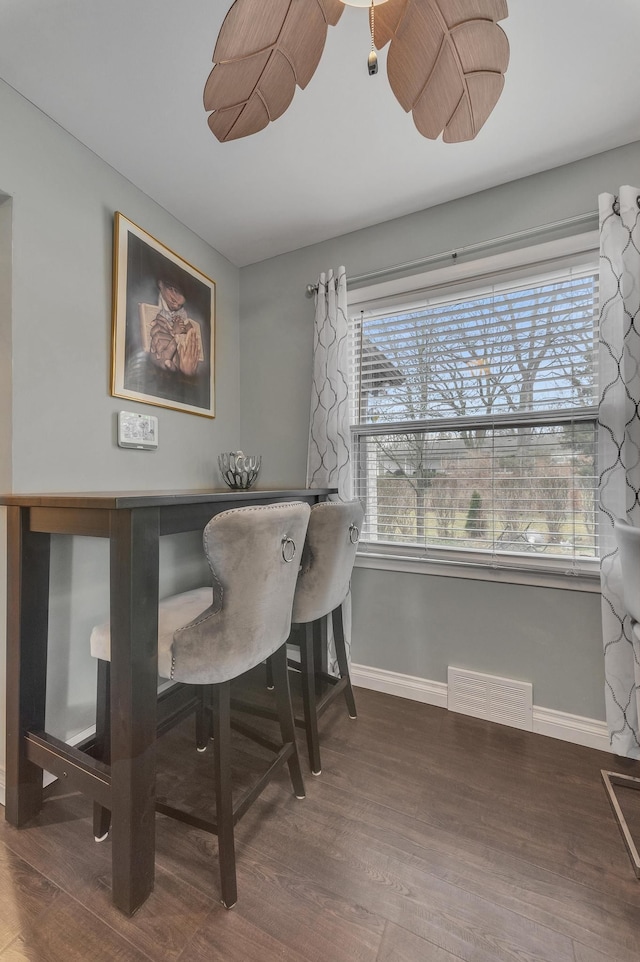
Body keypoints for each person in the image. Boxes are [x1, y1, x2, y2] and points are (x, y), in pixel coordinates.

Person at [148, 277, 201, 377]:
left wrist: (183, 332)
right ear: (161, 284)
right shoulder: (148, 298)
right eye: (173, 300)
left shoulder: (182, 312)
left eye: (180, 305)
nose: (176, 306)